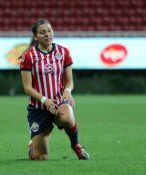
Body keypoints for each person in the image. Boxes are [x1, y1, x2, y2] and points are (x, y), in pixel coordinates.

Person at [20, 19, 90, 160]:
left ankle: (76, 145)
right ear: (35, 37)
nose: (47, 34)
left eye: (49, 31)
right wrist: (45, 100)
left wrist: (67, 91)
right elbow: (27, 88)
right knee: (41, 157)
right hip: (39, 107)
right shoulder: (28, 56)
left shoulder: (63, 52)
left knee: (66, 117)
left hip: (59, 102)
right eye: (42, 32)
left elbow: (69, 82)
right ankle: (34, 146)